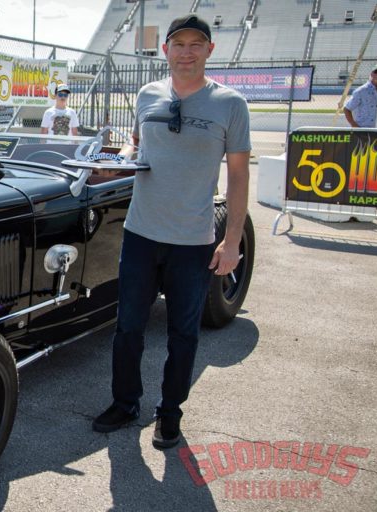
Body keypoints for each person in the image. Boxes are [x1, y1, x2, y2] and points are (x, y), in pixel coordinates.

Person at [92, 14, 251, 450]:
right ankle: (125, 404)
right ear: (165, 50)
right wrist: (117, 159)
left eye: (195, 44)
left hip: (193, 240)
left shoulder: (230, 104)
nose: (186, 51)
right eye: (178, 44)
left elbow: (238, 177)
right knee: (128, 328)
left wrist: (232, 239)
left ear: (209, 51)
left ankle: (170, 414)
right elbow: (136, 144)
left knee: (183, 334)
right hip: (141, 233)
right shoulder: (148, 95)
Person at [344, 63, 377, 128]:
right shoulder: (361, 91)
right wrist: (354, 126)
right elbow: (347, 109)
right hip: (363, 130)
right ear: (372, 74)